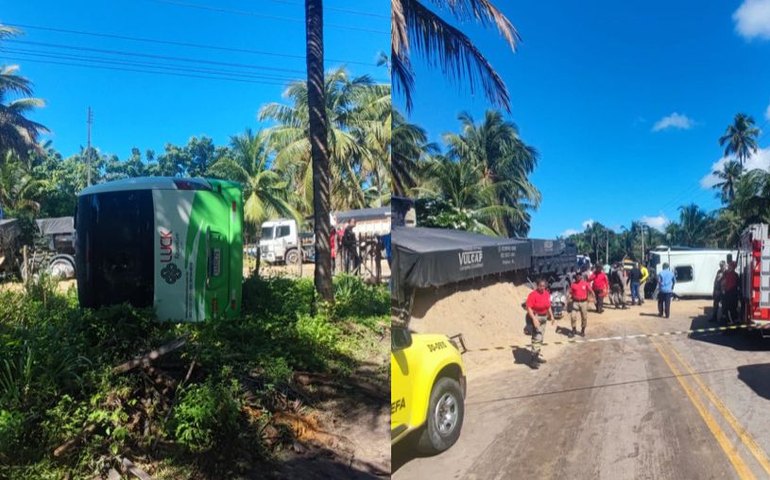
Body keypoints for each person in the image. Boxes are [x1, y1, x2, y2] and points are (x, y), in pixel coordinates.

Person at [525, 278, 555, 369]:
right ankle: (532, 360)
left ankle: (537, 356)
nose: (542, 288)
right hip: (536, 317)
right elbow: (529, 308)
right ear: (537, 286)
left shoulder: (546, 293)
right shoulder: (532, 295)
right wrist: (534, 319)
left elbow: (548, 305)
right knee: (537, 337)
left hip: (544, 317)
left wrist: (552, 316)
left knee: (541, 338)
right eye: (540, 286)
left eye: (544, 286)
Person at [569, 272, 591, 337]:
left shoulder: (585, 283)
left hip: (583, 302)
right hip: (575, 302)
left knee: (584, 317)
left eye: (579, 276)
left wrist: (589, 298)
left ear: (581, 276)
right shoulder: (573, 284)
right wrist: (567, 300)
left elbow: (590, 291)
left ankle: (582, 330)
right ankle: (573, 329)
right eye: (577, 276)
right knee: (573, 316)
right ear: (575, 277)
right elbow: (570, 293)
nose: (578, 277)